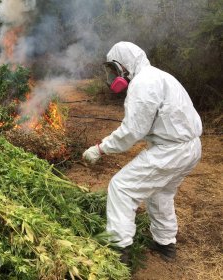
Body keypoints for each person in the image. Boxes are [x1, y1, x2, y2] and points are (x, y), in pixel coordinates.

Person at [82, 42, 202, 262]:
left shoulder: (142, 84)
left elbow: (131, 132)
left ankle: (119, 251)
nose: (113, 75)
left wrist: (100, 149)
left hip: (170, 151)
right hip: (191, 147)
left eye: (113, 69)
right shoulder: (159, 76)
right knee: (161, 193)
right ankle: (165, 244)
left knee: (122, 188)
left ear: (124, 65)